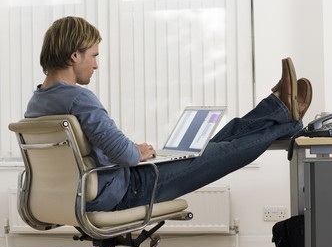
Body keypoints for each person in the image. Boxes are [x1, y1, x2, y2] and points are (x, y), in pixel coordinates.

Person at [25, 16, 312, 212]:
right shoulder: (79, 98)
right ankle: (288, 119)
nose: (96, 65)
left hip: (84, 194)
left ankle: (276, 106)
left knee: (213, 145)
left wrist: (133, 152)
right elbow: (124, 155)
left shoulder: (36, 102)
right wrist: (136, 149)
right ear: (75, 55)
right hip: (126, 190)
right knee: (223, 153)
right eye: (94, 56)